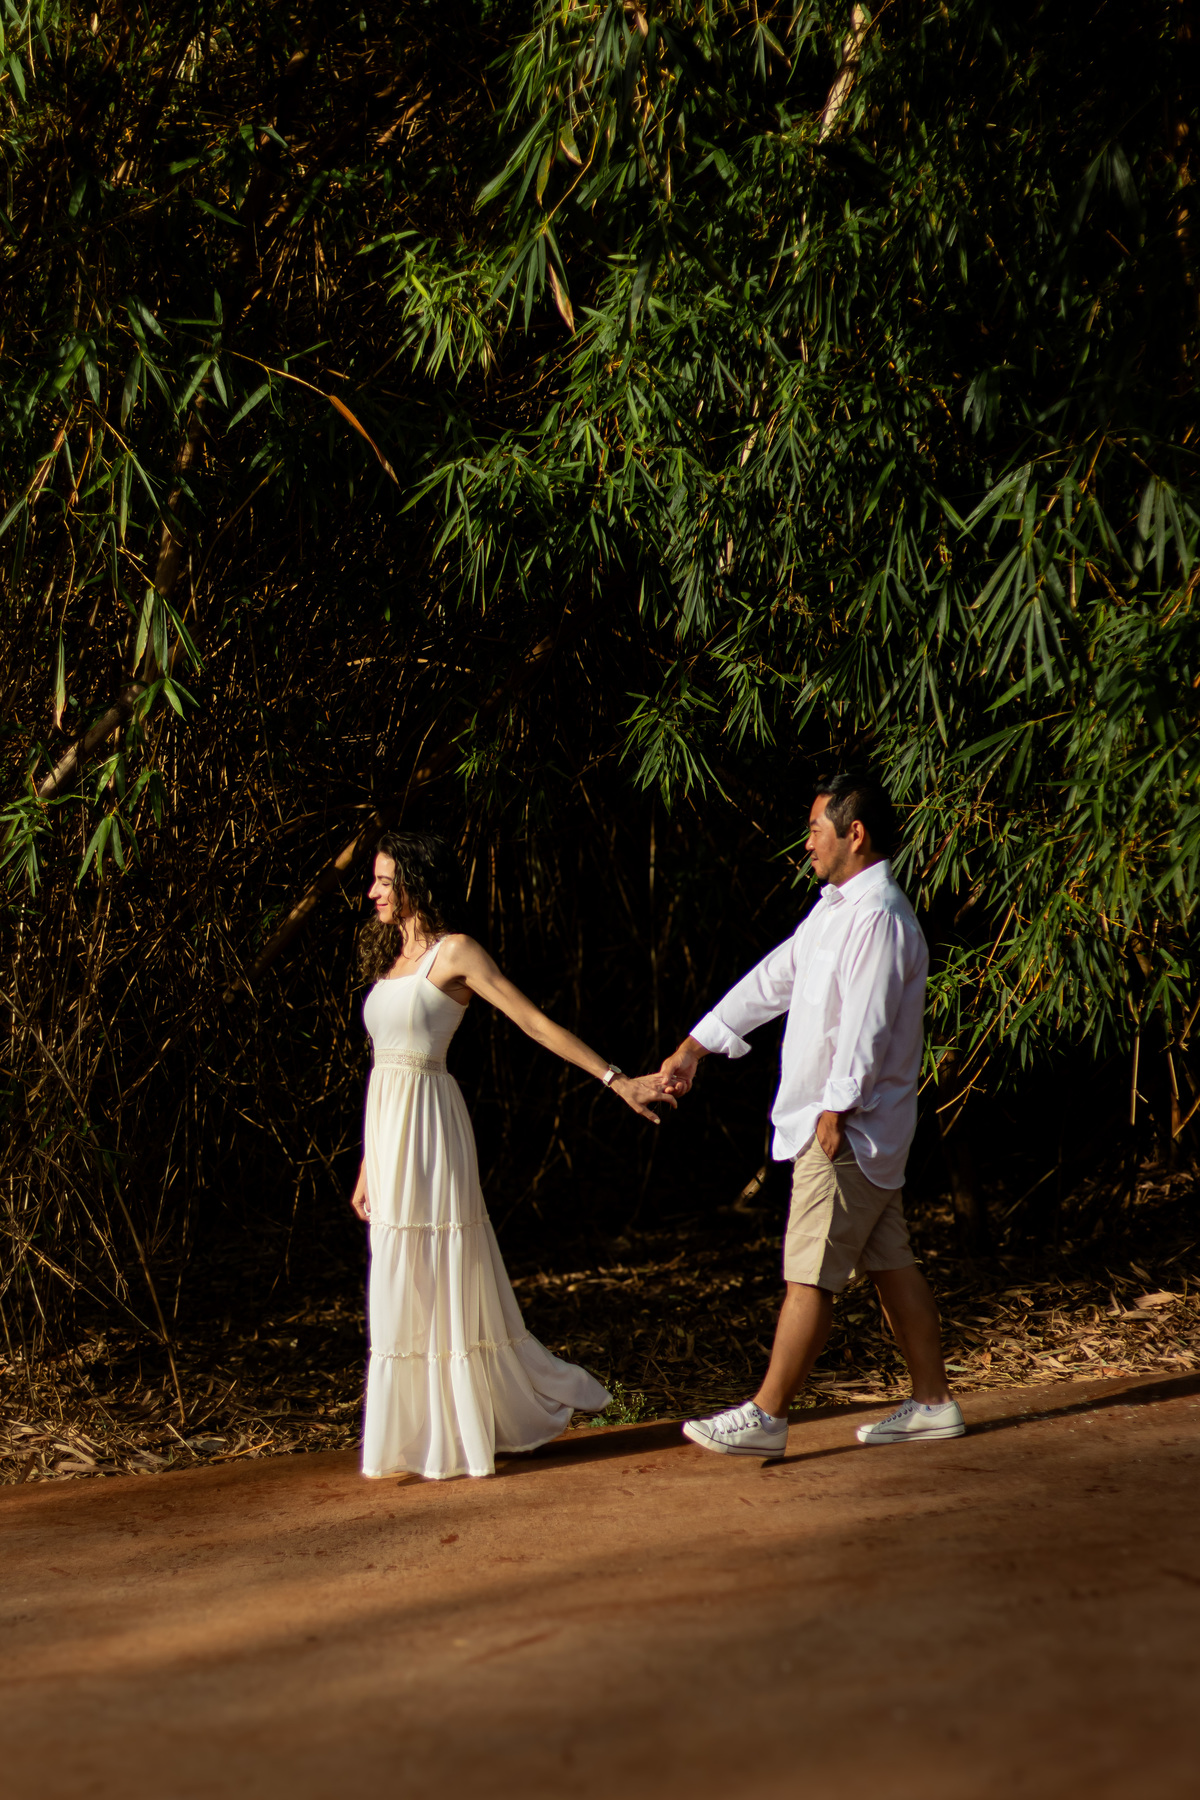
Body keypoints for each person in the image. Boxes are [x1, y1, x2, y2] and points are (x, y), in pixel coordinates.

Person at [348, 830, 672, 1481]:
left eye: (385, 879)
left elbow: (533, 1021)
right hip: (389, 1131)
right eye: (375, 880)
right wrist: (365, 1164)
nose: (374, 891)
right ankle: (415, 1434)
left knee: (440, 1268)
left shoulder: (455, 951)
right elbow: (384, 1071)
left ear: (414, 880)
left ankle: (461, 1430)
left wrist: (615, 1079)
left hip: (432, 1130)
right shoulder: (389, 956)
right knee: (398, 1274)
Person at [659, 771, 964, 1457]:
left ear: (854, 834)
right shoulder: (834, 911)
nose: (806, 845)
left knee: (809, 1272)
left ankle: (767, 1416)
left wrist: (836, 1108)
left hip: (848, 1128)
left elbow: (868, 1022)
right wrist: (694, 1048)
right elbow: (771, 981)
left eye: (815, 831)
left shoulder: (878, 914)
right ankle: (933, 1402)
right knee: (890, 1261)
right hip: (848, 1125)